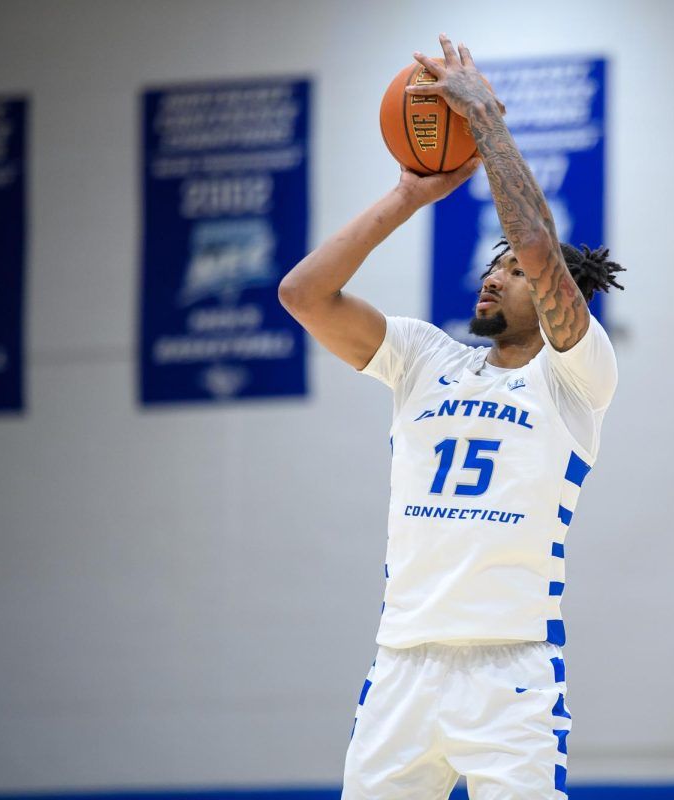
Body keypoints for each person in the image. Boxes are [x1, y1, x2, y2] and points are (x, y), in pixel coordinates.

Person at [278, 34, 625, 799]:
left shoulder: (576, 376)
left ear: (559, 293)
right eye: (492, 264)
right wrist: (409, 195)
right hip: (402, 662)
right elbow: (303, 296)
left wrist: (486, 123)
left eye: (514, 271)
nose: (494, 275)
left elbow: (538, 242)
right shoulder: (422, 357)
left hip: (510, 671)